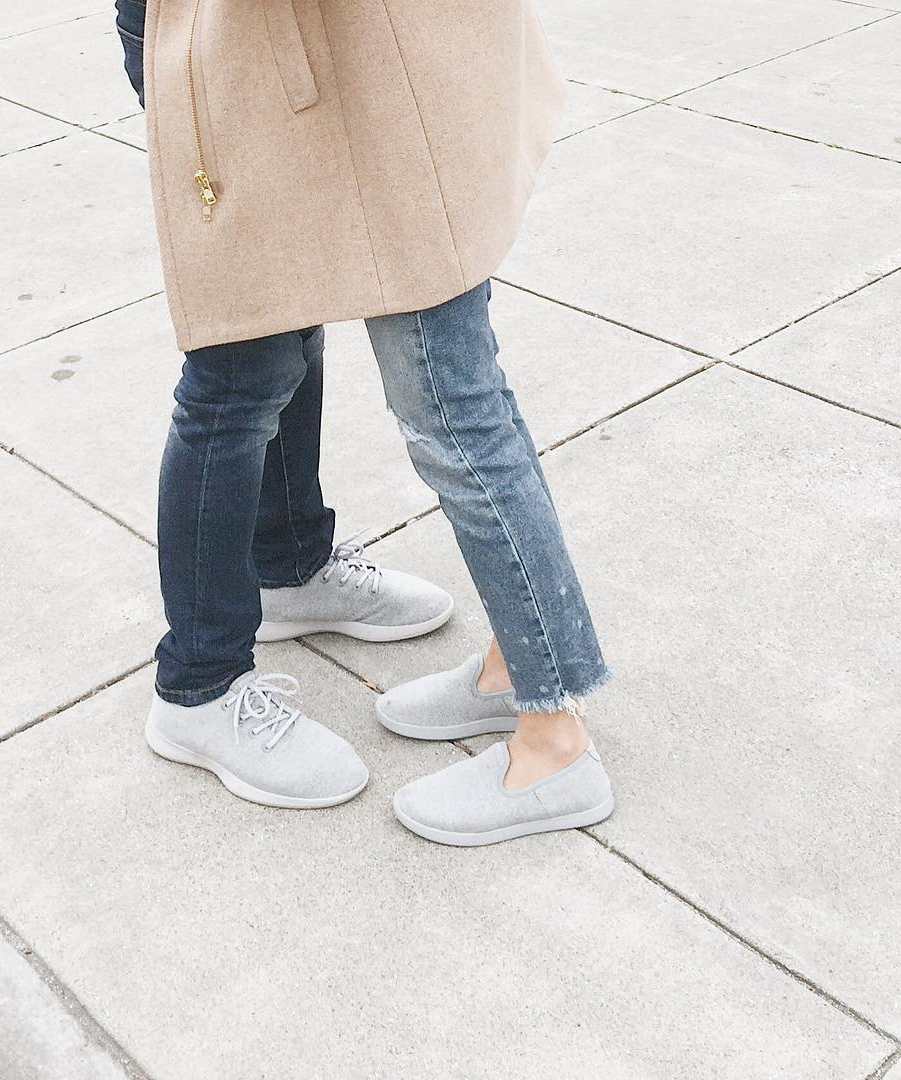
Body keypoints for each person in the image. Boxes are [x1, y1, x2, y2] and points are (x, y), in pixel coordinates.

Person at [115, 0, 614, 846]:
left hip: (374, 36)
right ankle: (200, 682)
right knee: (256, 354)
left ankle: (522, 693)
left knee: (418, 377)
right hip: (254, 30)